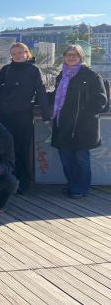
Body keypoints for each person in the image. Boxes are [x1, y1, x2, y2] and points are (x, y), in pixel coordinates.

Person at [0, 42, 51, 194]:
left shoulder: (33, 70)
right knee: (7, 149)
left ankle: (24, 182)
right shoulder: (6, 69)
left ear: (27, 53)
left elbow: (41, 92)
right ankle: (8, 180)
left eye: (20, 52)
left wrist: (46, 114)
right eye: (14, 53)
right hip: (5, 116)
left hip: (23, 116)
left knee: (22, 150)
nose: (18, 55)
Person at [50, 45, 108, 198]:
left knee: (81, 159)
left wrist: (85, 114)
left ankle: (80, 189)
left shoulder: (91, 76)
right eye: (68, 54)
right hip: (63, 125)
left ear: (81, 57)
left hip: (83, 126)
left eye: (75, 55)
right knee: (66, 159)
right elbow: (56, 97)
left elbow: (101, 100)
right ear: (64, 57)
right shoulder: (61, 76)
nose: (71, 57)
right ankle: (72, 185)